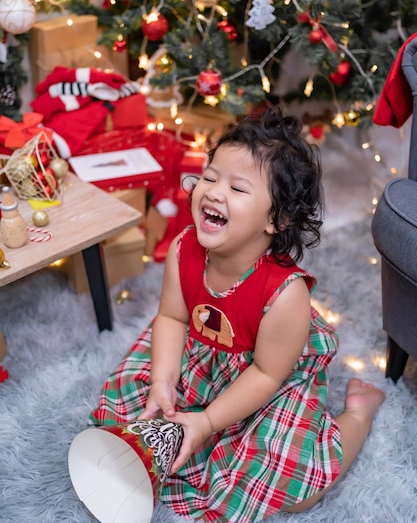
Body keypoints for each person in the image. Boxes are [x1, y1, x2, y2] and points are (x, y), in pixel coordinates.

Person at [90, 105, 385, 522]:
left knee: (296, 490)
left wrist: (208, 421)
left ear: (277, 218)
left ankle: (358, 414)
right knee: (128, 414)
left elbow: (266, 374)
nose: (213, 191)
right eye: (210, 177)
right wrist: (162, 381)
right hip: (202, 355)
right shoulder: (183, 249)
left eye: (238, 189)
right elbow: (173, 319)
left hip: (267, 377)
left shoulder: (286, 295)